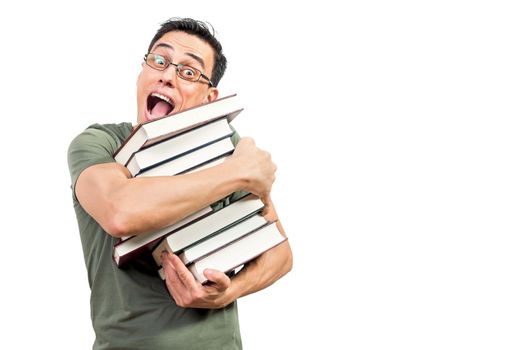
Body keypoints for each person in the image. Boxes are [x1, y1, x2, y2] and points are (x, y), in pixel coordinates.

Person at [67, 17, 292, 350]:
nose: (167, 76)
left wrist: (231, 290)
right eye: (159, 60)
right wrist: (240, 172)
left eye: (188, 72)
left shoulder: (223, 145)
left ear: (209, 98)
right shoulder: (99, 143)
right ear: (142, 71)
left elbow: (280, 253)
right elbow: (120, 212)